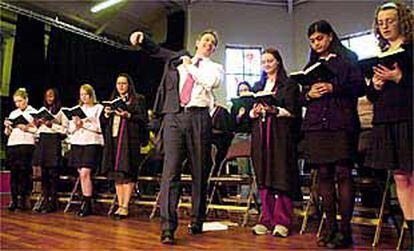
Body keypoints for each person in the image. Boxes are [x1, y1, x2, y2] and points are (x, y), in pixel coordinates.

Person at [130, 29, 223, 244]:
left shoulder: (214, 67)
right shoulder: (178, 58)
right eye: (206, 40)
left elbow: (210, 82)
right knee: (169, 173)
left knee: (199, 171)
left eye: (213, 43)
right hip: (174, 117)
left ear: (214, 48)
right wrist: (143, 39)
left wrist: (190, 65)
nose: (209, 44)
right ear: (198, 42)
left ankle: (197, 219)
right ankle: (167, 227)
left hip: (199, 117)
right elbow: (158, 51)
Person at [300, 20, 365, 248]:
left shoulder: (349, 58)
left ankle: (345, 231)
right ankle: (329, 227)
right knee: (324, 175)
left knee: (343, 173)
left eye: (319, 38)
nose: (316, 44)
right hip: (317, 124)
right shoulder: (312, 63)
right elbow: (299, 97)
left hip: (342, 122)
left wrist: (332, 88)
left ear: (330, 36)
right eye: (312, 40)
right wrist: (309, 94)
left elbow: (359, 87)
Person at [365, 1, 413, 248]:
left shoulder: (411, 49)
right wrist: (375, 85)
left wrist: (400, 77)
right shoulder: (381, 53)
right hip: (385, 120)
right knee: (401, 177)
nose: (384, 26)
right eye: (380, 23)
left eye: (390, 21)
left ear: (402, 21)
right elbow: (371, 96)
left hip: (409, 118)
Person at [249, 48, 301, 238]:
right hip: (260, 134)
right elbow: (249, 111)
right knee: (263, 175)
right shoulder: (257, 86)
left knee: (281, 174)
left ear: (278, 62)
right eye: (263, 62)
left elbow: (293, 111)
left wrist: (274, 109)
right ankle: (266, 218)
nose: (266, 64)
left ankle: (282, 220)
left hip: (280, 134)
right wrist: (253, 112)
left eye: (270, 61)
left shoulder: (289, 85)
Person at [101, 73, 148, 220]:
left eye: (124, 83)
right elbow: (102, 121)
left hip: (130, 141)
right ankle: (120, 205)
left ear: (129, 85)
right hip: (114, 140)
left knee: (127, 173)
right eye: (118, 83)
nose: (121, 86)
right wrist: (107, 114)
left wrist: (129, 115)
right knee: (118, 175)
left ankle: (125, 206)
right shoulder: (112, 100)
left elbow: (144, 119)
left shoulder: (138, 99)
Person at [66, 84, 104, 217]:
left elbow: (100, 128)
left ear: (91, 95)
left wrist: (85, 124)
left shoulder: (98, 108)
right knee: (80, 173)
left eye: (86, 94)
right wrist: (76, 124)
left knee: (85, 173)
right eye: (81, 94)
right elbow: (70, 129)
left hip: (92, 142)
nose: (84, 97)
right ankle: (86, 200)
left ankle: (87, 204)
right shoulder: (78, 109)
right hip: (77, 142)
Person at [32, 88, 66, 213]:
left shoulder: (61, 112)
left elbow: (65, 130)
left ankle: (53, 201)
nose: (49, 98)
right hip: (43, 140)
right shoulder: (43, 111)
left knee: (53, 173)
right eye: (47, 96)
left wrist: (52, 125)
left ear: (56, 97)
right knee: (44, 174)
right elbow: (37, 130)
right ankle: (45, 200)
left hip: (53, 140)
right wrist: (38, 124)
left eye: (51, 96)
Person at [4, 88, 37, 211]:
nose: (18, 104)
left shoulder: (33, 112)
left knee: (24, 173)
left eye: (20, 101)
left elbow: (37, 130)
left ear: (26, 99)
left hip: (26, 143)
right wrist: (7, 127)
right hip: (13, 144)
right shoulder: (13, 113)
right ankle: (14, 199)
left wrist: (27, 128)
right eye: (16, 102)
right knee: (14, 173)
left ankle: (23, 200)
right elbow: (8, 133)